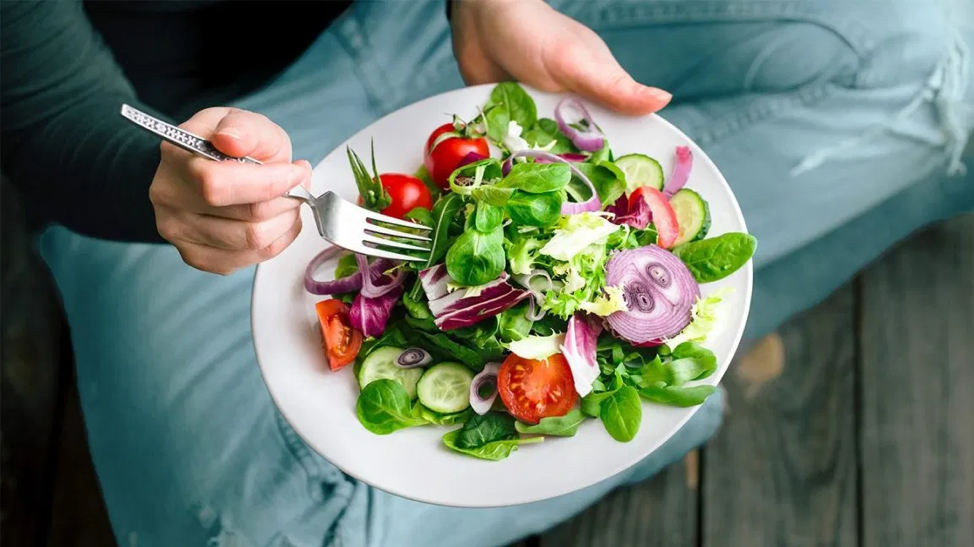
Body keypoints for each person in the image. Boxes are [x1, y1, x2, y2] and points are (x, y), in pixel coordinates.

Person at [2, 0, 971, 545]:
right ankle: (680, 357)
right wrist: (154, 182)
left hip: (423, 17)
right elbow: (41, 112)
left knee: (919, 45)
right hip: (174, 161)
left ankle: (653, 356)